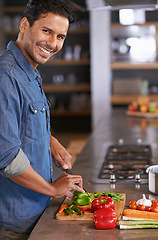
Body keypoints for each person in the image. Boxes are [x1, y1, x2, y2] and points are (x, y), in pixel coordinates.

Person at [0, 0, 84, 239]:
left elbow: (19, 123)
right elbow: (6, 157)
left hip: (36, 212)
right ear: (25, 25)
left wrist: (50, 141)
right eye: (46, 31)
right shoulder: (6, 75)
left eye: (60, 36)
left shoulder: (29, 70)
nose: (53, 43)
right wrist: (52, 189)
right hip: (15, 222)